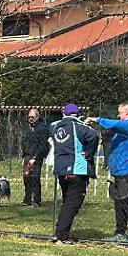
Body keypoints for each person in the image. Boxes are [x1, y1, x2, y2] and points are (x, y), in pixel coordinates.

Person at [86, 103, 128, 240]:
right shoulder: (123, 127)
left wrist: (97, 119)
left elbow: (116, 124)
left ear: (127, 112)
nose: (118, 116)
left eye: (120, 113)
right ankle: (120, 232)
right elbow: (114, 128)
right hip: (117, 171)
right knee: (119, 202)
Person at [49, 104, 98, 244]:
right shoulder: (79, 126)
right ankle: (61, 235)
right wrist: (88, 154)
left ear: (63, 113)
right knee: (72, 204)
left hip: (61, 170)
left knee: (67, 203)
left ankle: (62, 233)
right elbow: (94, 136)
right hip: (77, 169)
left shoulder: (54, 126)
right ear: (77, 114)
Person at [21, 108, 51, 206]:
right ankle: (27, 199)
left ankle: (37, 200)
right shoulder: (29, 127)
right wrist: (24, 155)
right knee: (26, 178)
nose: (30, 118)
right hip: (27, 155)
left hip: (36, 157)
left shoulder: (42, 128)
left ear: (37, 116)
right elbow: (25, 142)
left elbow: (43, 145)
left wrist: (35, 157)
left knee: (35, 178)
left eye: (32, 117)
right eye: (29, 117)